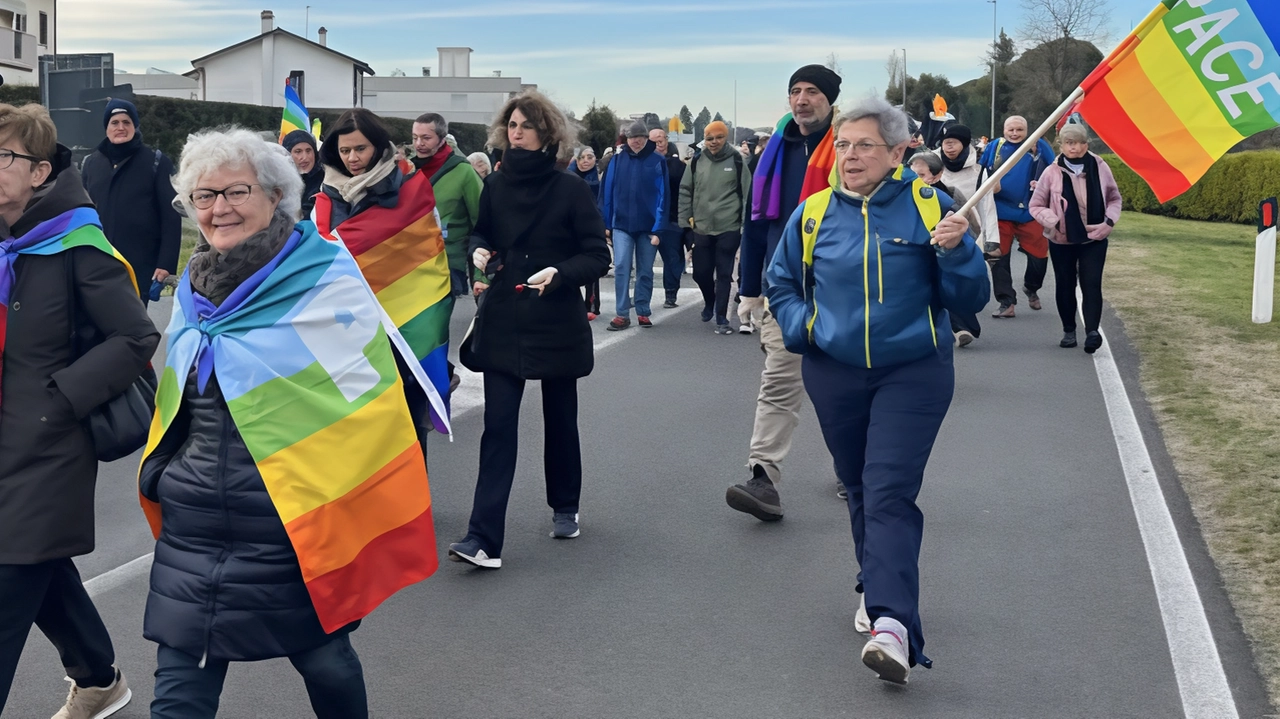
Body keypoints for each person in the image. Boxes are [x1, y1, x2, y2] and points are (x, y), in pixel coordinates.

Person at [139, 127, 438, 718]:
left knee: (325, 661)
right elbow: (175, 403)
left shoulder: (325, 278)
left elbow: (372, 403)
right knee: (180, 687)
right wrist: (164, 477)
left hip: (293, 519)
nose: (218, 208)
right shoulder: (193, 291)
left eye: (235, 191)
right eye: (203, 196)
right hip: (195, 521)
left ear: (276, 195)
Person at [767, 97, 989, 684]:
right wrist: (805, 329)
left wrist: (960, 251)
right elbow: (782, 283)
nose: (850, 155)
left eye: (864, 145)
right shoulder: (812, 214)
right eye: (842, 145)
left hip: (913, 370)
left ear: (897, 153)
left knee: (888, 488)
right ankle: (875, 580)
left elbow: (969, 302)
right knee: (861, 483)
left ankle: (893, 627)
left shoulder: (929, 206)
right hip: (834, 372)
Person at [0, 103, 158, 718]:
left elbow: (136, 337)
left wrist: (60, 397)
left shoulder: (76, 243)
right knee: (38, 566)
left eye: (4, 157)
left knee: (11, 579)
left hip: (47, 446)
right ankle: (99, 678)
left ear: (39, 172)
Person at [451, 91, 611, 569]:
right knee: (497, 427)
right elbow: (485, 232)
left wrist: (560, 274)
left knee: (560, 419)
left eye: (525, 125)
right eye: (511, 125)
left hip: (555, 316)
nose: (515, 132)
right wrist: (478, 250)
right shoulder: (496, 185)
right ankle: (482, 538)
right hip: (505, 315)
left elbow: (597, 255)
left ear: (547, 133)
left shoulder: (571, 189)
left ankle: (565, 505)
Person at [726, 63, 841, 519]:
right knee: (777, 384)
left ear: (830, 99)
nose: (802, 99)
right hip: (786, 290)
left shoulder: (850, 147)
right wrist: (750, 290)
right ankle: (762, 479)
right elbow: (756, 224)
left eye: (812, 91)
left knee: (843, 390)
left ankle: (854, 470)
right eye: (795, 91)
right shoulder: (773, 152)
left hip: (842, 291)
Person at [313, 108, 454, 455]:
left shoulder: (411, 189)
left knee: (406, 418)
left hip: (401, 326)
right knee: (356, 425)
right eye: (345, 151)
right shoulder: (325, 196)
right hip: (348, 328)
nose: (352, 158)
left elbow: (428, 261)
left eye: (360, 149)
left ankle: (413, 503)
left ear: (378, 147)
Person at [1029, 123, 1122, 354]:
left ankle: (1092, 332)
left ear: (1087, 144)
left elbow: (1114, 198)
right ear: (1061, 145)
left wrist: (1108, 223)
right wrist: (1053, 220)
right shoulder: (1051, 172)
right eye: (1070, 143)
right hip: (1062, 239)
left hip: (1094, 237)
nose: (1076, 147)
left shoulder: (1100, 167)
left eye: (1081, 143)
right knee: (1065, 284)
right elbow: (1036, 205)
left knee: (1091, 283)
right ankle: (1069, 330)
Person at [80, 98, 181, 305]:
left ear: (135, 126)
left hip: (139, 266)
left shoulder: (156, 162)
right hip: (96, 263)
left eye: (126, 122)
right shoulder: (91, 164)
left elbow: (170, 216)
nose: (120, 127)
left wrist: (166, 263)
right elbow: (81, 213)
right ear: (106, 128)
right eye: (114, 122)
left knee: (133, 329)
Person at [678, 120, 750, 334]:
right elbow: (685, 191)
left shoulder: (737, 160)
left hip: (729, 226)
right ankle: (709, 302)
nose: (714, 142)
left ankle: (721, 318)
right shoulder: (697, 161)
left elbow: (748, 194)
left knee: (725, 274)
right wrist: (685, 223)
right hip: (701, 227)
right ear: (704, 140)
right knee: (701, 273)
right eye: (709, 138)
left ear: (725, 138)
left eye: (718, 137)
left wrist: (745, 225)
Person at [979, 115, 1055, 318]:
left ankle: (1031, 287)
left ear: (1026, 130)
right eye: (1010, 129)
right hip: (1000, 211)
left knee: (1039, 257)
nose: (1015, 133)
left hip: (1031, 211)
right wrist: (988, 186)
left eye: (1019, 130)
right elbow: (982, 171)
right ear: (1003, 130)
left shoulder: (1038, 145)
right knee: (998, 257)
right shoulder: (995, 146)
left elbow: (1055, 169)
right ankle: (1006, 302)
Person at [599, 120, 667, 330]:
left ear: (646, 139)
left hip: (648, 226)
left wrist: (659, 228)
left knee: (645, 270)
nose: (635, 141)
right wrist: (606, 223)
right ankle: (621, 313)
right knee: (621, 267)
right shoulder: (617, 160)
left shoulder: (657, 161)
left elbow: (664, 196)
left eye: (639, 137)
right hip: (621, 224)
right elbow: (607, 192)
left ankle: (643, 310)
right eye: (631, 137)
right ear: (626, 140)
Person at [934, 123, 999, 346]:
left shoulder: (979, 170)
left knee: (964, 279)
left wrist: (992, 239)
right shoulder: (930, 164)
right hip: (937, 233)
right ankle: (956, 327)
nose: (948, 147)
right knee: (941, 279)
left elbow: (987, 206)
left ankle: (964, 323)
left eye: (953, 142)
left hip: (970, 233)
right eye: (945, 142)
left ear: (964, 143)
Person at [412, 112, 484, 299]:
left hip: (448, 265)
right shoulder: (407, 170)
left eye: (426, 138)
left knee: (434, 328)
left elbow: (483, 224)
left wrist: (480, 275)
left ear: (442, 139)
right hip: (409, 264)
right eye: (415, 138)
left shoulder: (464, 172)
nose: (419, 143)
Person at [650, 127, 686, 308]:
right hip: (648, 221)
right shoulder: (644, 164)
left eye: (661, 139)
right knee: (643, 263)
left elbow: (687, 193)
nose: (659, 143)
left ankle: (671, 294)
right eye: (654, 140)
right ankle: (641, 298)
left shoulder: (679, 166)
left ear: (666, 141)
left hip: (672, 220)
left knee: (673, 260)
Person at [568, 146, 603, 319]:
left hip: (591, 226)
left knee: (591, 266)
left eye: (590, 157)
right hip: (570, 227)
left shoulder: (599, 179)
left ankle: (591, 304)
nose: (585, 161)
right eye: (582, 158)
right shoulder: (567, 178)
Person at [282, 128, 324, 218]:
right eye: (298, 152)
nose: (304, 157)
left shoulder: (326, 181)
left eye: (308, 151)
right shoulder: (280, 181)